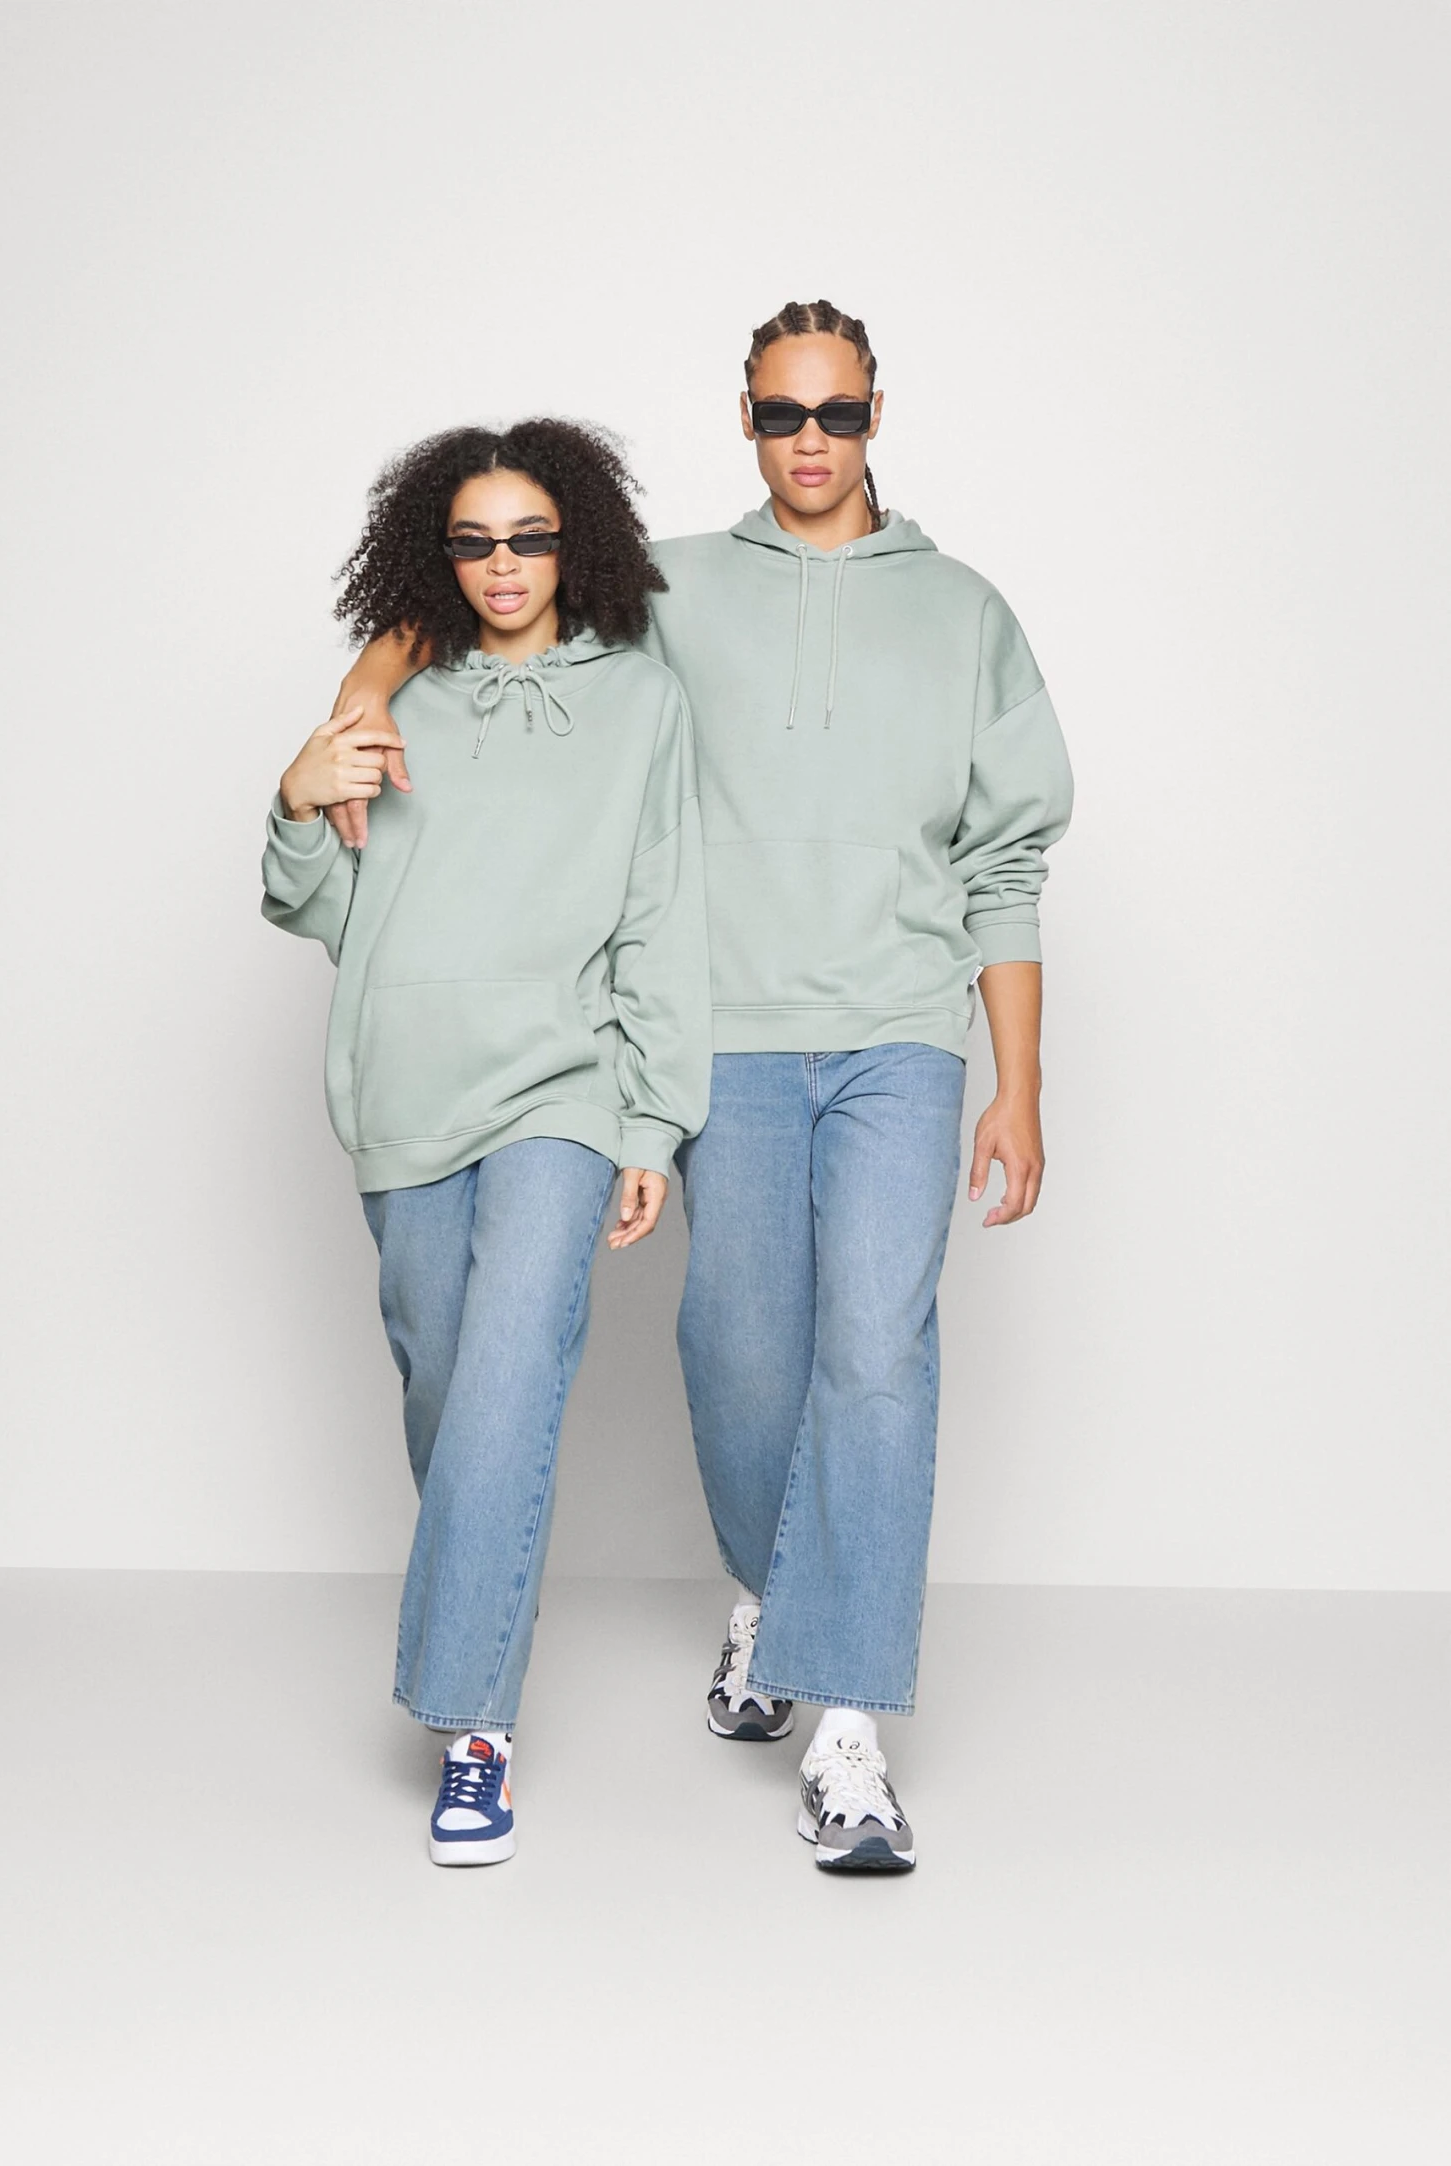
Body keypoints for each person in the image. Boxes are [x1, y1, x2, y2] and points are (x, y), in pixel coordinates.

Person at [327, 302, 1074, 1873]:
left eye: (838, 414)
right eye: (782, 414)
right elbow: (474, 609)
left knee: (876, 1347)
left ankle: (848, 1731)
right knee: (737, 1351)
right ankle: (768, 1595)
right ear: (746, 419)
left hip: (901, 1030)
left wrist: (1018, 1080)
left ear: (878, 416)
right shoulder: (667, 593)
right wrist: (363, 697)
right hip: (721, 1034)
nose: (811, 442)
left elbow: (1007, 863)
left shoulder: (966, 614)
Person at [263, 418, 710, 1865]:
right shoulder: (398, 702)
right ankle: (478, 1638)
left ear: (576, 541)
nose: (504, 565)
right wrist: (297, 795)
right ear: (436, 556)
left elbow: (662, 916)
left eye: (529, 537)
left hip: (561, 1092)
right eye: (473, 542)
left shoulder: (643, 702)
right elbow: (324, 904)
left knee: (513, 1372)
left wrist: (653, 1117)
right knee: (451, 1388)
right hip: (404, 1084)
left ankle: (474, 1728)